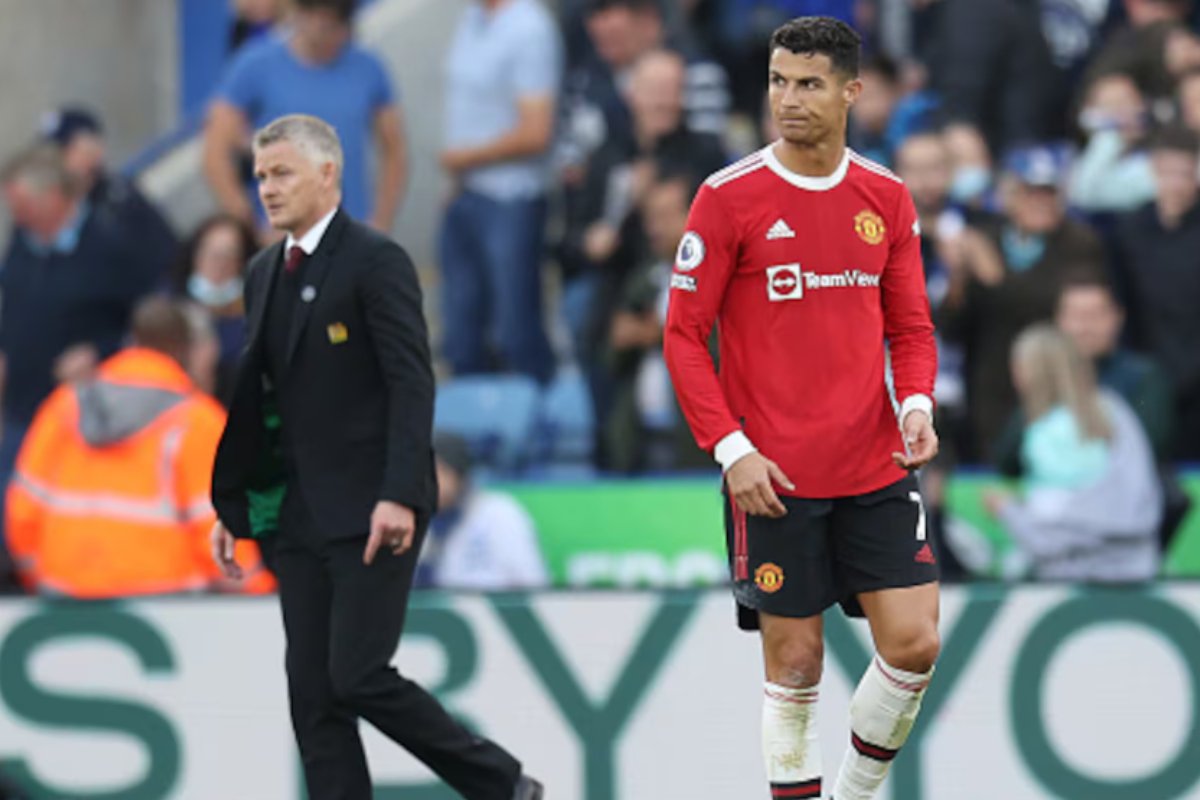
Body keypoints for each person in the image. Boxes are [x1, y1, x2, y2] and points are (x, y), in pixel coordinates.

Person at [208, 115, 542, 800]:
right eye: (261, 175)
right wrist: (236, 501)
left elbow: (411, 380)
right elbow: (264, 400)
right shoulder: (264, 271)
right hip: (297, 514)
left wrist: (398, 490)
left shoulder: (375, 259)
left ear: (328, 174)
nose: (265, 189)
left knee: (356, 674)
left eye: (282, 173)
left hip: (370, 506)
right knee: (313, 697)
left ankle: (500, 783)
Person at [664, 18, 940, 800]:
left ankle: (851, 793)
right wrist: (731, 450)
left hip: (874, 460)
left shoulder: (884, 197)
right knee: (795, 665)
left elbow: (911, 325)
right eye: (779, 81)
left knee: (915, 646)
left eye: (809, 83)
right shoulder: (728, 198)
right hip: (773, 474)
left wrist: (915, 402)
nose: (788, 99)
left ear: (853, 91)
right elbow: (684, 337)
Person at [5, 297, 273, 597]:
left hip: (65, 596)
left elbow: (23, 512)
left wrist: (40, 577)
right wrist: (257, 594)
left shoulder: (66, 405)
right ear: (185, 350)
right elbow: (219, 535)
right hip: (170, 603)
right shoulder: (197, 420)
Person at [0, 145, 161, 567]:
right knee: (13, 516)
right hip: (22, 408)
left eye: (23, 205)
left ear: (54, 196)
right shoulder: (22, 245)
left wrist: (100, 354)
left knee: (69, 516)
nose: (16, 215)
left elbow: (144, 325)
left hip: (84, 417)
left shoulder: (110, 248)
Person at [938, 143, 1105, 458]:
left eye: (1049, 193)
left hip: (1057, 382)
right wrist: (957, 279)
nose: (1041, 202)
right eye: (1031, 192)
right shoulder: (989, 237)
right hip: (991, 386)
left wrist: (992, 274)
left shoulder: (1080, 242)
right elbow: (951, 327)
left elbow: (1051, 305)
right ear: (1009, 195)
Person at [439, 0, 562, 383]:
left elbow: (537, 131)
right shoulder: (472, 20)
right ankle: (474, 428)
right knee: (461, 330)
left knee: (515, 326)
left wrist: (467, 157)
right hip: (467, 192)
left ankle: (534, 424)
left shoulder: (530, 28)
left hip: (511, 198)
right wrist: (458, 181)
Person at [204, 0, 407, 230]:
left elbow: (394, 150)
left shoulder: (369, 68)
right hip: (279, 236)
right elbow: (215, 148)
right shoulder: (254, 64)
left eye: (335, 23)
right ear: (299, 13)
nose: (325, 33)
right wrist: (249, 226)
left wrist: (381, 221)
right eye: (319, 20)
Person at [986, 325, 1162, 582]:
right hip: (1136, 565)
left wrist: (1007, 509)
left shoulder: (1044, 433)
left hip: (1069, 576)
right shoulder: (1115, 410)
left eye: (1018, 366)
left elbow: (1050, 530)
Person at [1113, 125, 1200, 459]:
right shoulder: (1130, 230)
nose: (1176, 184)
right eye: (1167, 173)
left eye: (1185, 174)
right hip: (1149, 373)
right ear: (1153, 171)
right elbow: (1123, 303)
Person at [39, 106, 179, 280]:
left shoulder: (120, 201)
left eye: (67, 150)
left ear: (95, 150)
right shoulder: (42, 204)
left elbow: (166, 255)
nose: (56, 160)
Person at [416, 432, 549, 589]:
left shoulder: (498, 513)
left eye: (438, 471)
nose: (427, 480)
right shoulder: (413, 520)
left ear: (459, 474)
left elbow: (533, 583)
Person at [174, 214, 259, 405]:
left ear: (241, 262)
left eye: (228, 255)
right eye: (210, 253)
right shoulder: (169, 302)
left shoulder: (256, 313)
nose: (217, 264)